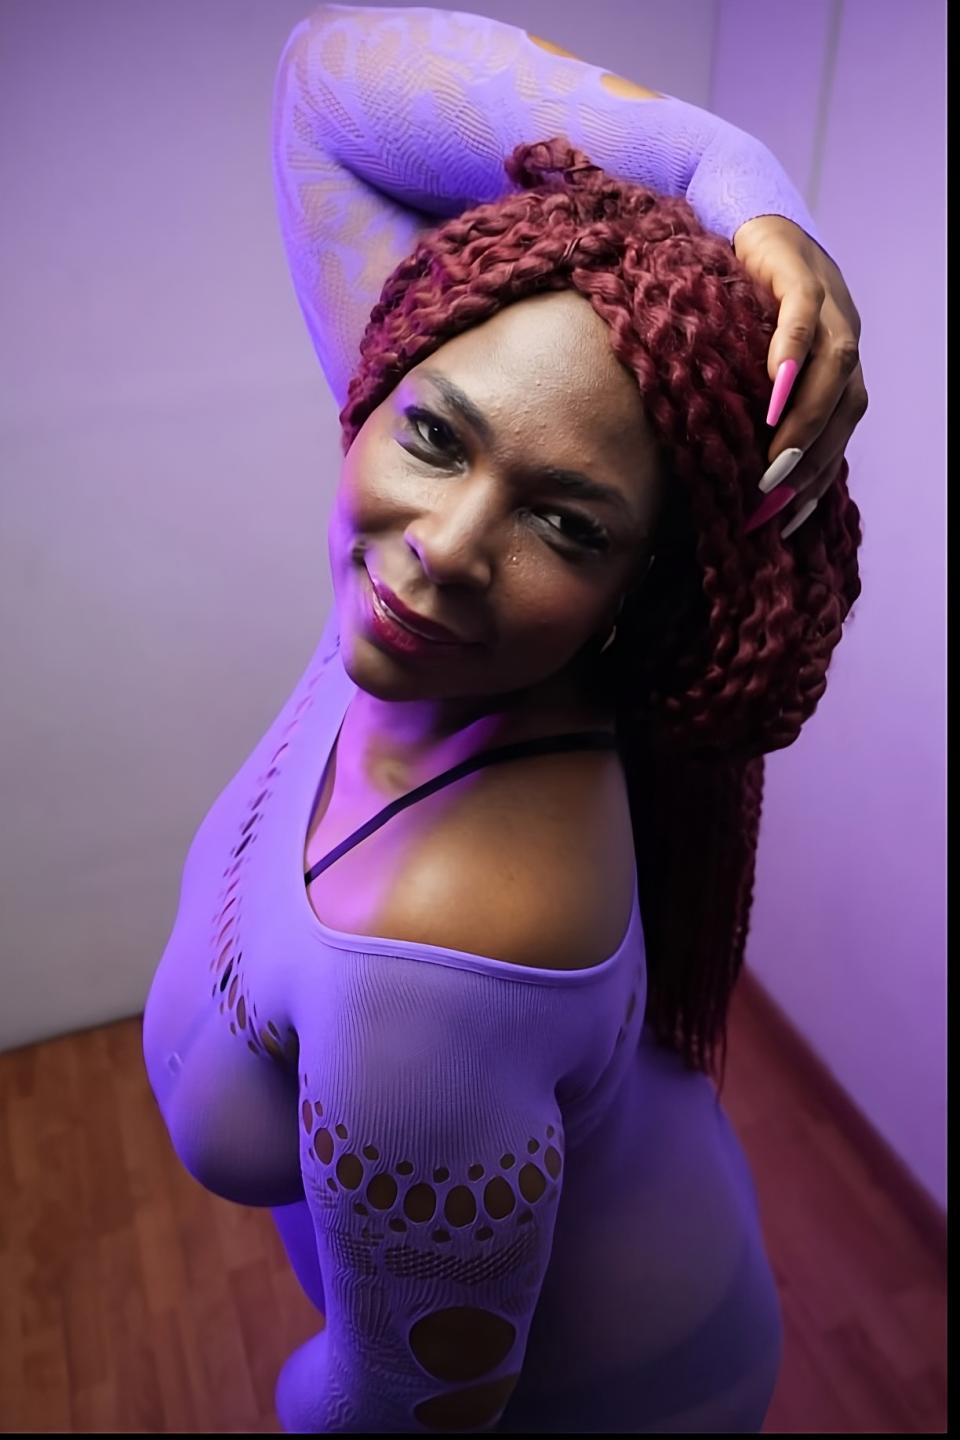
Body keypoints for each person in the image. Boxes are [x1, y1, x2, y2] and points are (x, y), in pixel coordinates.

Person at [142, 5, 868, 1432]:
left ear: (635, 589)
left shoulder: (445, 950)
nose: (446, 546)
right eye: (433, 435)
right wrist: (731, 183)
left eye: (565, 523)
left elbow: (404, 1407)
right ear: (384, 382)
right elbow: (325, 83)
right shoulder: (439, 604)